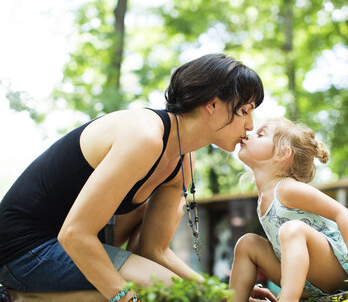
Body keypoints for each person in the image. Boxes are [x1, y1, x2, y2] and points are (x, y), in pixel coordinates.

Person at [0, 53, 276, 302]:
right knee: (159, 290)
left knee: (173, 289)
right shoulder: (144, 136)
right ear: (212, 104)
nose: (250, 125)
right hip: (22, 252)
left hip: (69, 246)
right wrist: (128, 298)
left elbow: (154, 250)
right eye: (244, 111)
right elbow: (74, 234)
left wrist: (221, 295)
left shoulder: (182, 160)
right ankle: (21, 297)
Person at [229, 118, 348, 302]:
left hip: (334, 272)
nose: (250, 134)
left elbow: (342, 212)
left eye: (260, 134)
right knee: (247, 243)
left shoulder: (287, 188)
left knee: (292, 229)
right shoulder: (262, 198)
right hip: (302, 279)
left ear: (283, 153)